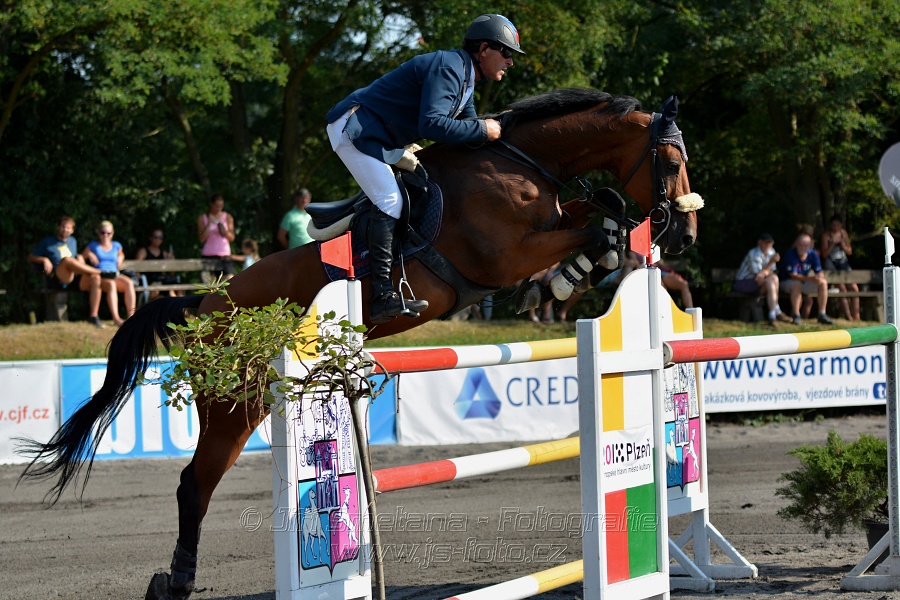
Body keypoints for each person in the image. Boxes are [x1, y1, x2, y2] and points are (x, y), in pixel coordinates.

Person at [326, 14, 524, 324]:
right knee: (390, 200)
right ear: (484, 49)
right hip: (354, 128)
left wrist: (502, 126)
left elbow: (467, 129)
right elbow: (433, 124)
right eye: (507, 52)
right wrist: (485, 130)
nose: (510, 62)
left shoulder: (465, 77)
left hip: (377, 134)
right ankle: (381, 296)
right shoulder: (449, 68)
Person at [27, 215, 105, 327]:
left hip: (73, 278)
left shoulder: (73, 241)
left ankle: (93, 316)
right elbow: (31, 257)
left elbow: (75, 258)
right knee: (67, 260)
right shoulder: (48, 241)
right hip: (56, 278)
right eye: (63, 227)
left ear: (72, 230)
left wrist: (80, 257)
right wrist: (44, 259)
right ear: (58, 227)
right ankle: (100, 272)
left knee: (95, 278)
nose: (65, 230)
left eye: (68, 228)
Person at [82, 220, 136, 326]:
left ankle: (131, 317)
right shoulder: (93, 245)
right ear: (98, 233)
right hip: (101, 275)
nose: (105, 235)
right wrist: (89, 255)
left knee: (129, 283)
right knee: (111, 285)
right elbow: (81, 258)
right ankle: (116, 318)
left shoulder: (116, 245)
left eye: (108, 233)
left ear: (112, 234)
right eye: (103, 232)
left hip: (114, 274)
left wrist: (121, 257)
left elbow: (121, 254)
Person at [734, 233, 792, 325]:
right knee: (771, 281)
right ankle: (776, 312)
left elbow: (769, 273)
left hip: (758, 282)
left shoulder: (771, 251)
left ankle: (773, 315)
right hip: (744, 283)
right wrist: (771, 263)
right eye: (766, 243)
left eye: (770, 243)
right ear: (760, 242)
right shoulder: (753, 254)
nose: (768, 245)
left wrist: (765, 273)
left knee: (774, 279)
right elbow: (758, 275)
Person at [778, 232, 834, 325]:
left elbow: (819, 272)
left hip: (803, 282)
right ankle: (796, 315)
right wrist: (812, 279)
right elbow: (793, 276)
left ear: (810, 246)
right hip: (786, 282)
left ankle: (822, 314)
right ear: (797, 244)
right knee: (797, 284)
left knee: (823, 283)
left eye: (806, 245)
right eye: (801, 245)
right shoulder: (790, 254)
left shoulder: (813, 254)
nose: (803, 247)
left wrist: (819, 278)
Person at [820, 214, 860, 321]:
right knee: (842, 289)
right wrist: (832, 244)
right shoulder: (826, 236)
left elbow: (850, 251)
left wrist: (843, 246)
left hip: (843, 263)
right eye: (833, 225)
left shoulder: (843, 234)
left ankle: (857, 316)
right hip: (831, 265)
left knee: (854, 288)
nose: (835, 227)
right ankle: (848, 317)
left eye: (838, 225)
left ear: (841, 225)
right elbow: (824, 254)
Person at [134, 228, 182, 298]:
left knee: (177, 289)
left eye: (160, 237)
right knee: (164, 292)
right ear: (150, 238)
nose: (158, 239)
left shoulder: (165, 254)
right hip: (149, 281)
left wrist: (172, 262)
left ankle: (183, 307)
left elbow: (172, 273)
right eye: (155, 237)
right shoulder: (143, 251)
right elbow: (137, 269)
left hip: (163, 280)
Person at [197, 193, 236, 281]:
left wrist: (225, 232)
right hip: (209, 255)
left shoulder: (228, 217)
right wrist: (209, 224)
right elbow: (201, 239)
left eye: (221, 206)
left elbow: (232, 238)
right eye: (217, 206)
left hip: (224, 256)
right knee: (211, 286)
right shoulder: (203, 218)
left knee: (230, 281)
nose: (219, 208)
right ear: (211, 204)